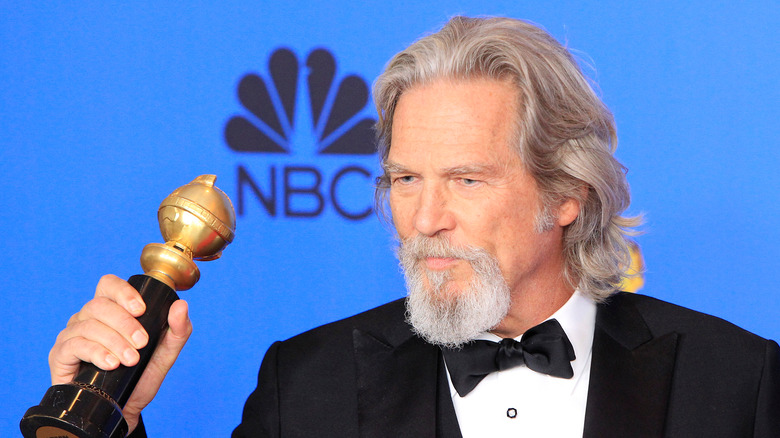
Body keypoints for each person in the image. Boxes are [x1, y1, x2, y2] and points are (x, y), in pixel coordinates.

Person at [47, 16, 779, 437]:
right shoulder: (306, 388)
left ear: (567, 194)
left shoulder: (734, 383)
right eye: (404, 180)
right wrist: (118, 415)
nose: (423, 220)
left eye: (467, 178)